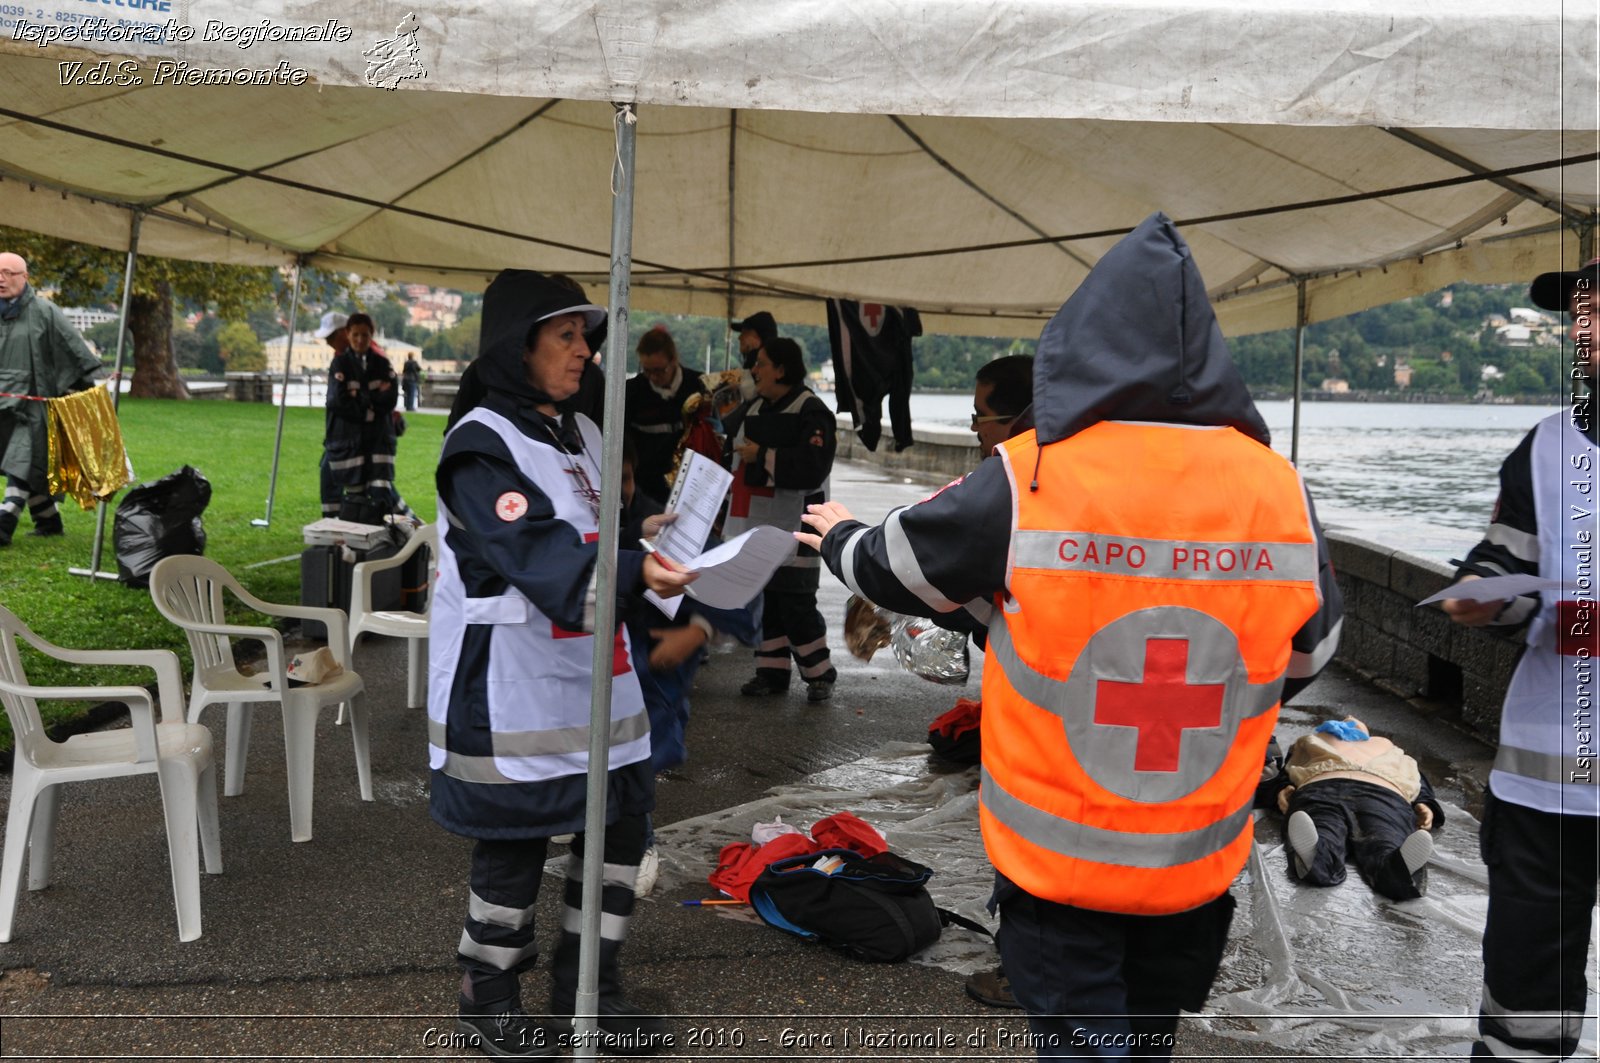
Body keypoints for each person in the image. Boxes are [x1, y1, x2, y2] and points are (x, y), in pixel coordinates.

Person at [798, 213, 1343, 1060]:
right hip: (1193, 867)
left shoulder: (1033, 473)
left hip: (1061, 865)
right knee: (1147, 1041)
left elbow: (895, 566)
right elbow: (1308, 652)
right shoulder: (1280, 488)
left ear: (1083, 341)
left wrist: (837, 535)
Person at [430, 269, 693, 1059]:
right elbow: (532, 548)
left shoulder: (582, 429)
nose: (585, 352)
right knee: (515, 837)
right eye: (566, 336)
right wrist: (633, 567)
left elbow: (601, 518)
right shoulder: (481, 441)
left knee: (619, 823)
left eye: (587, 335)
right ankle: (491, 993)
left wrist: (659, 528)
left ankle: (593, 989)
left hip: (595, 675)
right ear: (520, 346)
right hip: (511, 682)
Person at [1440, 257, 1598, 1061]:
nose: (1583, 326)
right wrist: (1481, 591)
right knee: (1525, 1005)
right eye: (1579, 311)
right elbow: (1506, 558)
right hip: (1547, 789)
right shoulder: (1545, 447)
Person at [723, 336, 839, 703]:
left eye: (761, 364)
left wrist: (764, 455)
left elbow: (813, 465)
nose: (753, 371)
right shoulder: (755, 406)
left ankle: (819, 673)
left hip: (798, 523)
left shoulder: (812, 411)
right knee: (767, 598)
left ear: (782, 370)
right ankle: (771, 673)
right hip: (757, 522)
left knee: (796, 600)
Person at [1275, 716, 1441, 901]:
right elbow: (1285, 771)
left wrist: (1426, 804)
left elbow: (1418, 778)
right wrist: (1282, 788)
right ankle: (1314, 855)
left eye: (1355, 719)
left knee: (1384, 836)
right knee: (1324, 828)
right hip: (1328, 787)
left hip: (1377, 792)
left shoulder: (1386, 746)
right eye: (1343, 719)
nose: (1349, 719)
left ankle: (1399, 866)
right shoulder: (1312, 740)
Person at [0, 252, 101, 546]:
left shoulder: (45, 312)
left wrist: (81, 390)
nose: (1, 279)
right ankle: (48, 520)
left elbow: (72, 350)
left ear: (25, 277)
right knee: (21, 461)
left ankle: (4, 521)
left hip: (32, 404)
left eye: (9, 272)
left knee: (22, 458)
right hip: (2, 404)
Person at [325, 313, 409, 518]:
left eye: (365, 335)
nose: (360, 340)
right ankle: (344, 528)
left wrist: (360, 400)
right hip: (351, 442)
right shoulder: (341, 364)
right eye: (356, 335)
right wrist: (371, 402)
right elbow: (338, 401)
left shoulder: (380, 363)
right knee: (355, 492)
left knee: (381, 490)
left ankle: (407, 526)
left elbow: (389, 399)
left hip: (375, 439)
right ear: (348, 334)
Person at [623, 325, 704, 503]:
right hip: (645, 488)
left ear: (673, 360)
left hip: (690, 487)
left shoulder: (699, 386)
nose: (653, 377)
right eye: (647, 370)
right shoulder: (632, 392)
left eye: (659, 370)